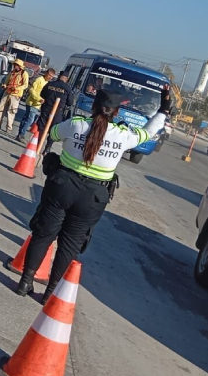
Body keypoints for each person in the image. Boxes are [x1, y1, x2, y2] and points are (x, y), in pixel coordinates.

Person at [14, 85, 173, 301]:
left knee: (44, 234)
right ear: (116, 112)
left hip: (62, 186)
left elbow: (53, 133)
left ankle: (25, 282)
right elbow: (149, 132)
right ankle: (50, 293)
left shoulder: (76, 124)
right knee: (69, 245)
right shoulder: (123, 135)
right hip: (94, 196)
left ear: (94, 106)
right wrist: (163, 109)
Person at [38, 71, 75, 154]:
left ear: (59, 76)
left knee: (42, 128)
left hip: (46, 109)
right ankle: (47, 148)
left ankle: (37, 144)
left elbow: (42, 94)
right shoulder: (67, 88)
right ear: (67, 79)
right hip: (58, 112)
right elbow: (70, 102)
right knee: (53, 130)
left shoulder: (50, 84)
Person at [16, 68, 55, 142]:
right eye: (49, 75)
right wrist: (38, 99)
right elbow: (32, 90)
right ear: (46, 73)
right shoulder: (39, 79)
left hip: (37, 104)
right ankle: (21, 134)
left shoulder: (47, 82)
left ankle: (20, 134)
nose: (50, 77)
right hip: (33, 103)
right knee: (30, 120)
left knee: (26, 118)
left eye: (52, 76)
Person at [0, 59, 29, 133]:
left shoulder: (24, 73)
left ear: (20, 66)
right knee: (0, 108)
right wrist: (5, 85)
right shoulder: (12, 72)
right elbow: (7, 81)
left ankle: (9, 128)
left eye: (17, 65)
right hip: (7, 92)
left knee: (11, 111)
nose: (15, 66)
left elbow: (25, 85)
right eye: (15, 64)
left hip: (16, 95)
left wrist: (16, 88)